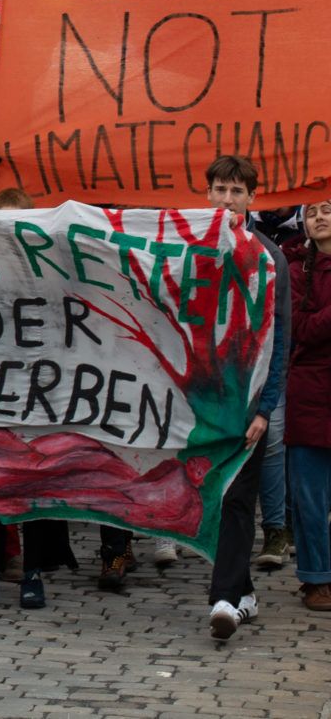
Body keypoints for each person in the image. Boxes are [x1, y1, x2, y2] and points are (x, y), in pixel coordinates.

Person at [198, 156, 289, 642]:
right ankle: (243, 590)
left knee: (236, 497)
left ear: (252, 198)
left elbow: (280, 338)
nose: (227, 199)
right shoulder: (188, 249)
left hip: (246, 401)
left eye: (236, 191)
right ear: (207, 194)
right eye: (219, 190)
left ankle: (226, 600)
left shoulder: (270, 257)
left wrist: (265, 408)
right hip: (198, 399)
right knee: (210, 498)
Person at [283, 198, 331, 611]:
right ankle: (316, 578)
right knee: (310, 496)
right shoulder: (294, 265)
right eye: (312, 211)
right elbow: (301, 328)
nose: (319, 217)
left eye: (328, 209)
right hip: (310, 392)